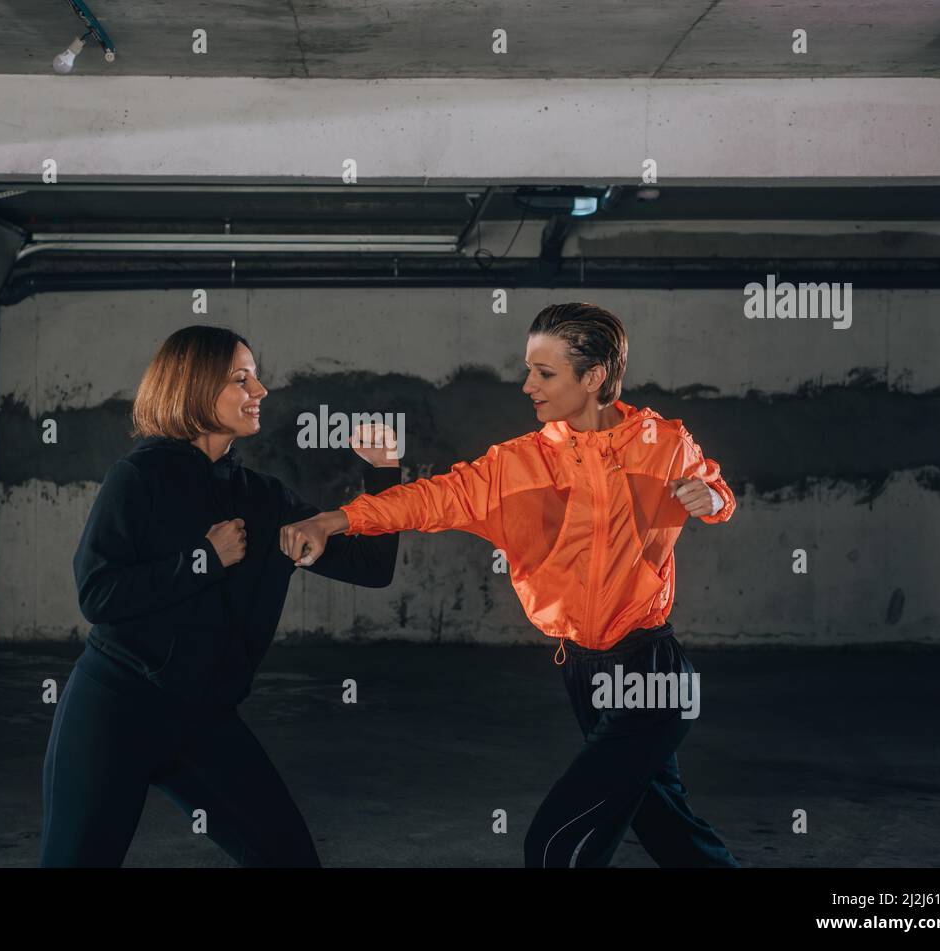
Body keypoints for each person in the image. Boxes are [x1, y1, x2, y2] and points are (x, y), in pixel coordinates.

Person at [279, 302, 740, 868]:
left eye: (545, 373)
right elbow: (430, 499)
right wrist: (333, 520)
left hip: (651, 671)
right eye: (529, 369)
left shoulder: (664, 443)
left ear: (593, 377)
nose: (528, 386)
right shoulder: (514, 466)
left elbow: (715, 489)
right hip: (582, 669)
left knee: (554, 846)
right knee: (666, 824)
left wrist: (712, 499)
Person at [41, 324, 401, 867]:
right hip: (115, 711)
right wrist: (201, 560)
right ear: (193, 386)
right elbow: (97, 594)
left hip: (203, 718)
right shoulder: (136, 479)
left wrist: (384, 477)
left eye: (256, 378)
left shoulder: (263, 499)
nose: (260, 392)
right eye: (242, 379)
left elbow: (373, 569)